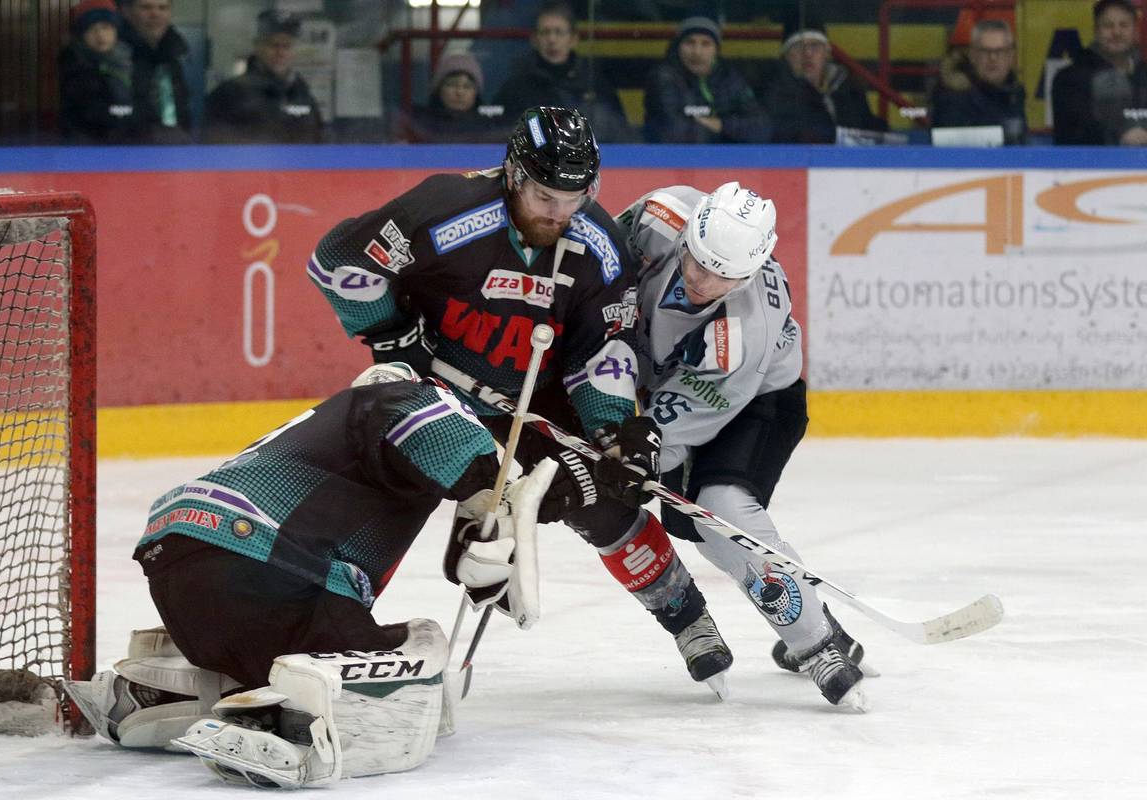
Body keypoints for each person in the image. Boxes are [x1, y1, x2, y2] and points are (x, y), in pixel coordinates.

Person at [307, 106, 734, 696]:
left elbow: (601, 352)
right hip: (437, 397)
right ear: (513, 174)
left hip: (538, 400)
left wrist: (615, 428)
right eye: (543, 197)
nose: (558, 215)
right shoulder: (444, 212)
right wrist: (392, 340)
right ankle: (322, 637)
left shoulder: (601, 247)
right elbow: (338, 259)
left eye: (573, 199)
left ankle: (689, 620)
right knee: (386, 505)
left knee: (604, 494)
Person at [66, 363, 559, 788]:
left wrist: (480, 531)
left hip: (176, 555)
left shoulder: (320, 434)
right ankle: (285, 725)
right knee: (418, 652)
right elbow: (418, 418)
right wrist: (490, 488)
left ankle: (152, 697)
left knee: (272, 653)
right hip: (260, 557)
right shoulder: (405, 396)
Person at [613, 182, 868, 709]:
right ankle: (819, 617)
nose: (699, 280)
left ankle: (816, 643)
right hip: (679, 382)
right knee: (686, 520)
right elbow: (598, 266)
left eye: (720, 275)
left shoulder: (741, 332)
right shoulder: (660, 215)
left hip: (758, 402)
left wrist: (642, 454)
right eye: (698, 261)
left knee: (717, 511)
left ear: (750, 271)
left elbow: (681, 422)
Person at [492, 3, 634, 142]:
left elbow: (620, 132)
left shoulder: (594, 81)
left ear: (573, 39)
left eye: (559, 32)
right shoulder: (517, 85)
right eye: (545, 32)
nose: (552, 39)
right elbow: (501, 132)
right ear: (535, 39)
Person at [643, 16, 771, 144]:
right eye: (689, 42)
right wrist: (726, 132)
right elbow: (673, 131)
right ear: (678, 47)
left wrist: (721, 124)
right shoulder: (663, 78)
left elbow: (762, 128)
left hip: (726, 160)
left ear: (716, 50)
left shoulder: (730, 78)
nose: (697, 52)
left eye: (706, 44)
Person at [203, 10, 323, 144]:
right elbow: (213, 147)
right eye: (274, 45)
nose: (280, 53)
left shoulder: (302, 95)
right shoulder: (229, 94)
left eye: (287, 46)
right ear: (257, 46)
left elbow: (317, 140)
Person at [762, 18, 888, 144]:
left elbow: (868, 127)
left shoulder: (849, 89)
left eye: (815, 46)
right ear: (785, 56)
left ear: (827, 53)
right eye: (798, 46)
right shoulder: (774, 94)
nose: (807, 53)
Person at [1052, 0, 1147, 145]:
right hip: (1092, 166)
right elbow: (1070, 134)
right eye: (1108, 26)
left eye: (1124, 25)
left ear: (1135, 31)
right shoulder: (1069, 79)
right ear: (1096, 31)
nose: (1116, 32)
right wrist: (1120, 136)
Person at [930, 19, 1028, 145]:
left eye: (999, 51)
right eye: (985, 51)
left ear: (1011, 56)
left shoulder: (1016, 93)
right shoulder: (953, 98)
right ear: (973, 55)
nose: (992, 58)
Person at [58, 0, 135, 144]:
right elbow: (93, 113)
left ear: (115, 30)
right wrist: (130, 112)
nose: (100, 35)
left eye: (105, 27)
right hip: (88, 146)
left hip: (131, 144)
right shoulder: (76, 67)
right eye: (92, 29)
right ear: (82, 35)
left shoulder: (131, 60)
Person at [118, 0, 193, 143]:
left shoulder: (172, 55)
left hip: (174, 152)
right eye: (146, 8)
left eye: (163, 8)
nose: (155, 14)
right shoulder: (115, 57)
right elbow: (113, 111)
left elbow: (181, 107)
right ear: (126, 12)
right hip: (125, 153)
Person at [394, 51, 507, 144]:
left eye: (467, 86)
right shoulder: (417, 123)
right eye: (452, 84)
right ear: (439, 88)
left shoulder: (491, 126)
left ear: (476, 93)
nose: (459, 92)